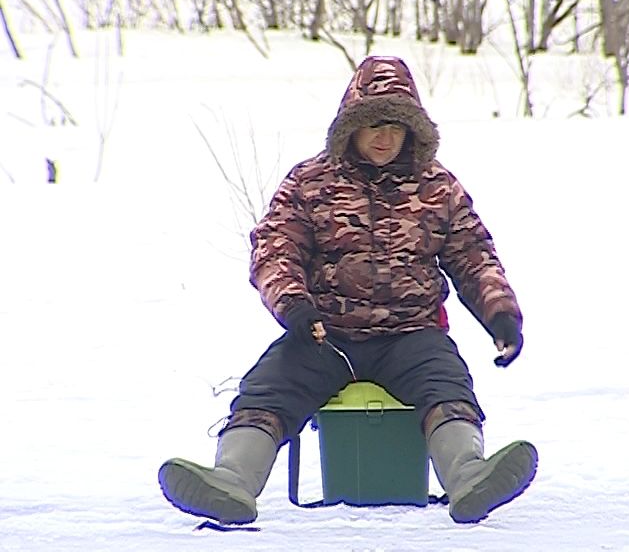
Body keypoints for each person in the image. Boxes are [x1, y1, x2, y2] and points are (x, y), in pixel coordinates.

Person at [158, 55, 537, 525]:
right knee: (268, 387)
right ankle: (232, 480)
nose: (385, 138)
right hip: (325, 332)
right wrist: (294, 306)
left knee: (447, 385)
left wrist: (501, 316)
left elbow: (473, 253)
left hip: (411, 333)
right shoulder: (311, 182)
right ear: (351, 127)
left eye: (396, 127)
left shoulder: (438, 186)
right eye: (374, 124)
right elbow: (275, 248)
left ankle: (468, 476)